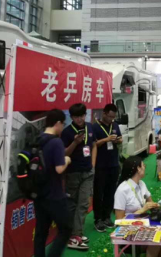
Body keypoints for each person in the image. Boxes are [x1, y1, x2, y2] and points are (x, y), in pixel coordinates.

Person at [34, 109, 72, 257]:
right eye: (63, 124)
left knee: (41, 232)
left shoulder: (37, 139)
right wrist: (67, 160)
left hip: (39, 193)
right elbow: (59, 169)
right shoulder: (56, 142)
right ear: (57, 123)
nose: (63, 127)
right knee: (66, 228)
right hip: (54, 194)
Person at [114, 156, 161, 257]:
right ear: (138, 169)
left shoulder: (142, 184)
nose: (145, 168)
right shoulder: (122, 190)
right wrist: (142, 210)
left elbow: (151, 203)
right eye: (144, 166)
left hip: (144, 227)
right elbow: (119, 221)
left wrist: (154, 206)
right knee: (155, 242)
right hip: (128, 232)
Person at [61, 104, 96, 250]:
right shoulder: (67, 132)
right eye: (76, 117)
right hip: (73, 173)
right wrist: (75, 142)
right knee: (72, 205)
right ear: (71, 117)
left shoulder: (90, 127)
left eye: (82, 116)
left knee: (83, 204)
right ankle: (71, 235)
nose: (80, 119)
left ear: (85, 114)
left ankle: (77, 234)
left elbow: (94, 145)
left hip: (88, 172)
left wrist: (93, 164)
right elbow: (64, 154)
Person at [93, 103, 123, 232]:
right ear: (104, 113)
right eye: (110, 116)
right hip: (100, 165)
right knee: (99, 193)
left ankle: (106, 217)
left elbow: (120, 138)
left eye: (113, 117)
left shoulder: (115, 125)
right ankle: (98, 219)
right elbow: (94, 144)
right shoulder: (95, 127)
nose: (111, 119)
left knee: (111, 192)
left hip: (113, 164)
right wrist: (106, 139)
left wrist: (118, 140)